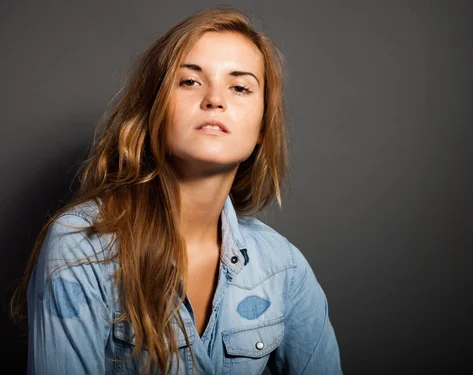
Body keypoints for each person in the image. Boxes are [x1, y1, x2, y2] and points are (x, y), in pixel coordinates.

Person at [10, 6, 342, 375]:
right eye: (190, 81)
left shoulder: (283, 268)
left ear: (263, 127)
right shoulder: (82, 246)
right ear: (156, 110)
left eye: (240, 87)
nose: (215, 99)